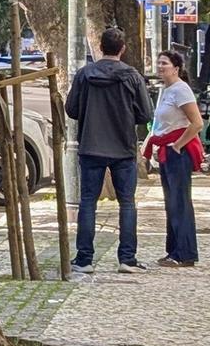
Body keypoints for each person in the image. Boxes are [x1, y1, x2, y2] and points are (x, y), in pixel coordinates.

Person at [65, 25, 154, 275]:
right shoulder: (132, 76)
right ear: (122, 49)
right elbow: (145, 113)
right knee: (127, 203)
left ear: (100, 47)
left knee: (87, 202)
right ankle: (127, 258)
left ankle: (84, 259)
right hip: (123, 147)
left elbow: (71, 109)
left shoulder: (84, 75)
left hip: (91, 145)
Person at [144, 49, 204, 268]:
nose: (161, 67)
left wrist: (178, 145)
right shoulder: (167, 90)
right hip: (166, 150)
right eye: (159, 63)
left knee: (180, 202)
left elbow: (197, 123)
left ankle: (185, 252)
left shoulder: (181, 90)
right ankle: (174, 250)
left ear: (176, 68)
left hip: (178, 152)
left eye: (165, 63)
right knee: (171, 202)